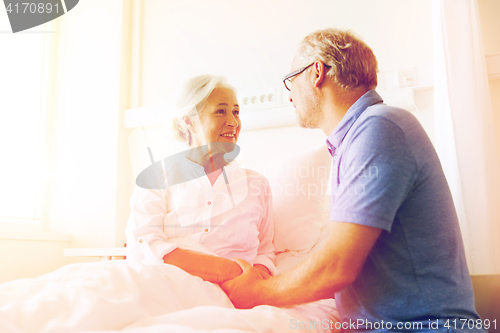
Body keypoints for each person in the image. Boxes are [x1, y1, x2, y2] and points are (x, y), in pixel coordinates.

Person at [221, 28, 483, 331]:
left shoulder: (381, 128)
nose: (289, 94)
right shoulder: (359, 138)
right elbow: (338, 252)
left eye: (290, 80)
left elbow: (336, 265)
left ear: (316, 72)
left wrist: (256, 292)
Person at [125, 74, 277, 285]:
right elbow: (145, 243)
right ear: (190, 122)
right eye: (221, 112)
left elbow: (265, 251)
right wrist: (227, 271)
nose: (233, 122)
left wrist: (253, 283)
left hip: (236, 294)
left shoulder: (257, 185)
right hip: (166, 285)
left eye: (236, 112)